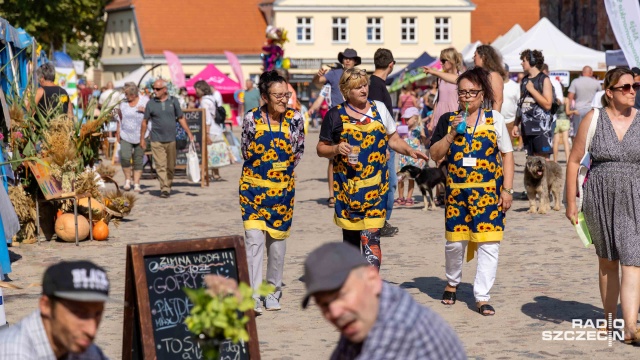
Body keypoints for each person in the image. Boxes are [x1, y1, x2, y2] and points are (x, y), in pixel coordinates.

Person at [317, 67, 429, 271]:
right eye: (357, 87)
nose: (363, 90)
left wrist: (409, 151)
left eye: (364, 85)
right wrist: (335, 148)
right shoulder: (334, 115)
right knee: (350, 245)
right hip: (348, 192)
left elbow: (393, 139)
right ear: (345, 91)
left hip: (376, 190)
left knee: (371, 241)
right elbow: (320, 149)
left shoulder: (379, 109)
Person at [429, 67, 515, 316]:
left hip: (489, 195)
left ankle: (482, 295)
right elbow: (435, 155)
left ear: (482, 94)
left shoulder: (494, 119)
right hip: (457, 195)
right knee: (454, 244)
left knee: (490, 244)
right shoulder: (448, 119)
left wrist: (507, 190)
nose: (466, 97)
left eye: (472, 92)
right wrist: (452, 133)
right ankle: (452, 282)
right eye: (462, 92)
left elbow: (507, 155)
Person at [565, 68, 640, 344]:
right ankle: (609, 322)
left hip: (636, 197)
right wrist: (570, 200)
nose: (632, 91)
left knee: (633, 260)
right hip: (599, 197)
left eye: (634, 87)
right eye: (625, 87)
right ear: (609, 92)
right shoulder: (593, 119)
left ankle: (630, 326)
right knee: (608, 262)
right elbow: (574, 160)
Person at [301, 242, 466, 360]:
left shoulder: (397, 330)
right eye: (324, 304)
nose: (335, 312)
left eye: (341, 295)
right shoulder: (373, 307)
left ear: (372, 279)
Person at [240, 70, 305, 313]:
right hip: (252, 191)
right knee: (254, 241)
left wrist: (280, 173)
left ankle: (272, 291)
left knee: (276, 246)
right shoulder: (251, 119)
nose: (283, 100)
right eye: (277, 96)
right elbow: (246, 150)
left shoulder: (296, 119)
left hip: (282, 194)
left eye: (286, 95)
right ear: (265, 97)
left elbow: (298, 151)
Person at [0, 260, 111, 359]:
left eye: (98, 314)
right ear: (46, 306)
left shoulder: (84, 348)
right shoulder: (13, 353)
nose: (91, 331)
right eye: (79, 313)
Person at [314, 48, 361, 208]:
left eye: (351, 58)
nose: (347, 60)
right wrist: (318, 76)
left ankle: (351, 191)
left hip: (355, 117)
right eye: (345, 58)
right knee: (333, 158)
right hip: (336, 118)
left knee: (354, 155)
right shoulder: (334, 74)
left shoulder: (359, 75)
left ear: (355, 61)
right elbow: (317, 82)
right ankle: (332, 195)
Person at [140, 79, 194, 198]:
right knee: (160, 165)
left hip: (171, 139)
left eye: (158, 89)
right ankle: (164, 188)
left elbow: (180, 118)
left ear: (165, 90)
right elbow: (145, 121)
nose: (155, 91)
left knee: (170, 166)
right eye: (154, 89)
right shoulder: (151, 104)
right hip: (156, 139)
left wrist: (189, 133)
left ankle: (167, 184)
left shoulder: (173, 101)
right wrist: (142, 138)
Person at [368, 48, 399, 237]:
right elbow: (376, 115)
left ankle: (381, 220)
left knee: (388, 182)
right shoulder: (376, 86)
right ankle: (381, 221)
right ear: (391, 65)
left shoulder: (373, 84)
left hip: (383, 140)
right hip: (383, 141)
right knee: (388, 183)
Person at [512, 49, 554, 158]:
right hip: (527, 129)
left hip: (541, 129)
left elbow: (548, 104)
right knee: (531, 162)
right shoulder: (524, 80)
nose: (521, 63)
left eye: (524, 60)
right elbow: (521, 104)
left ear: (532, 61)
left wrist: (532, 90)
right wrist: (516, 124)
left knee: (543, 162)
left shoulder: (544, 80)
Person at [116, 83, 149, 192]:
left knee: (138, 158)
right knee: (125, 157)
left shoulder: (144, 101)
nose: (125, 96)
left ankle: (137, 183)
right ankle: (127, 180)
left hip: (141, 135)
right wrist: (118, 131)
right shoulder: (123, 103)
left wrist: (145, 111)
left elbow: (152, 115)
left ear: (134, 95)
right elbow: (119, 117)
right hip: (126, 134)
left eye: (127, 94)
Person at [195, 80, 226, 181]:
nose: (195, 91)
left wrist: (206, 133)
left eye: (196, 89)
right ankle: (216, 174)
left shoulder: (204, 101)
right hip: (216, 127)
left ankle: (204, 174)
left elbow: (207, 118)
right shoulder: (212, 98)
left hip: (210, 129)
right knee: (214, 152)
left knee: (206, 153)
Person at [396, 107, 427, 207]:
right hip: (404, 156)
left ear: (415, 118)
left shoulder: (418, 129)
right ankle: (401, 197)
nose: (406, 121)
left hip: (414, 158)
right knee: (400, 177)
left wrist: (422, 131)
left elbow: (424, 139)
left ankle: (409, 198)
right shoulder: (403, 128)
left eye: (409, 118)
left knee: (411, 179)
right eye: (405, 119)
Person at [567, 66, 601, 139]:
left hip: (578, 109)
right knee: (591, 132)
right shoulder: (596, 83)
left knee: (577, 132)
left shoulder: (575, 81)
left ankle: (576, 149)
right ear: (591, 72)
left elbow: (570, 97)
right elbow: (600, 96)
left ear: (582, 72)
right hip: (591, 109)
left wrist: (569, 110)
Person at [501, 64, 520, 142]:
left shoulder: (515, 86)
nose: (502, 73)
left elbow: (519, 104)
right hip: (496, 121)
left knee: (508, 149)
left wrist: (517, 123)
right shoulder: (494, 85)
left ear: (508, 72)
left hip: (511, 121)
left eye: (504, 71)